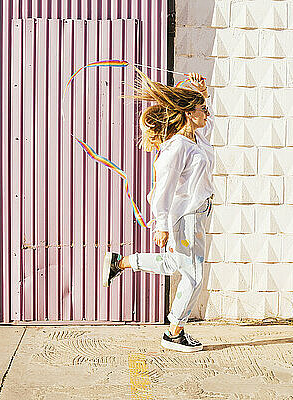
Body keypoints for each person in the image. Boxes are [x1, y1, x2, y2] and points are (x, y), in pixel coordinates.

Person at [102, 71, 214, 352]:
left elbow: (208, 124)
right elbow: (162, 190)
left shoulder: (196, 140)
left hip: (198, 214)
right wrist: (161, 225)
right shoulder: (176, 147)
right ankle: (175, 332)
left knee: (176, 264)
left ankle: (121, 262)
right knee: (193, 274)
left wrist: (203, 92)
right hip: (185, 218)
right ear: (190, 114)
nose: (207, 114)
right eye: (203, 110)